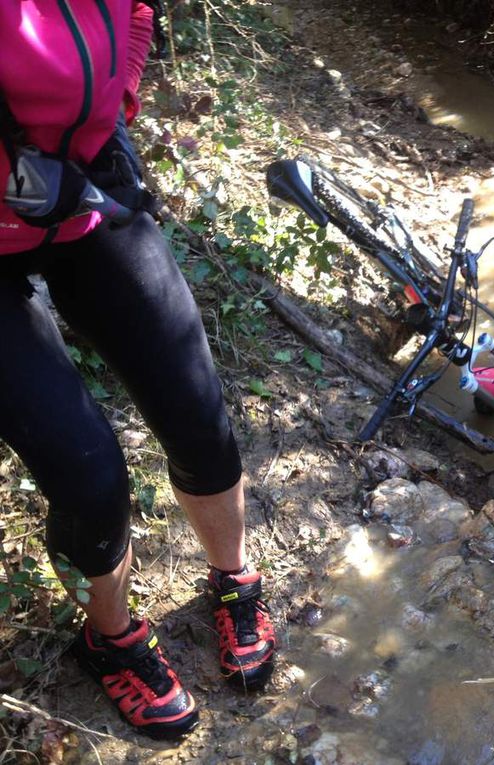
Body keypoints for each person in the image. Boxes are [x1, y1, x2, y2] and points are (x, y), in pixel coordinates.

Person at [0, 1, 276, 740]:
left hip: (84, 195)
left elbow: (135, 14)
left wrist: (112, 108)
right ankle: (110, 635)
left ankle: (234, 576)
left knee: (196, 410)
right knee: (90, 476)